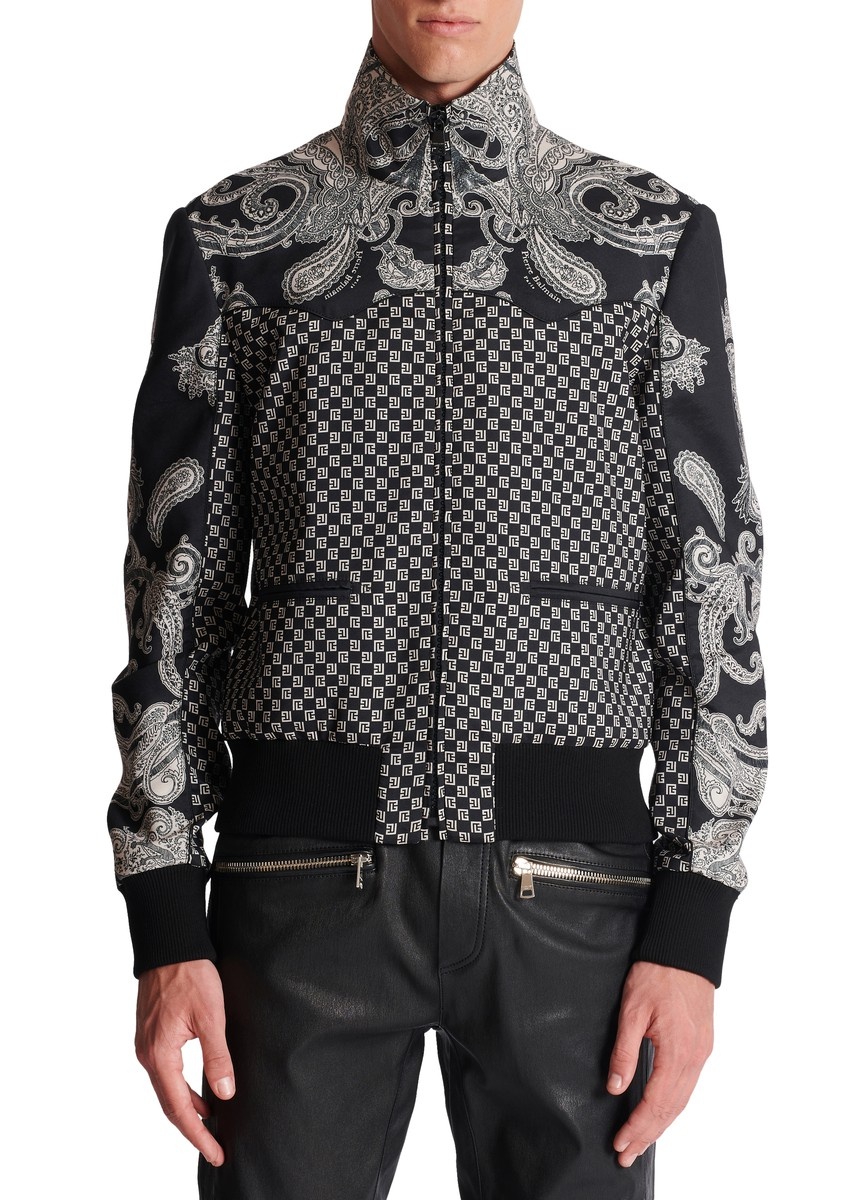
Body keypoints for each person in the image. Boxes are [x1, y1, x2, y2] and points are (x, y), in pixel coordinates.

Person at [108, 2, 768, 1196]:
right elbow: (174, 590)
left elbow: (709, 576)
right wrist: (162, 912)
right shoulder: (235, 239)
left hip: (576, 899)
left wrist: (692, 926)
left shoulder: (648, 241)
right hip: (298, 890)